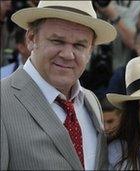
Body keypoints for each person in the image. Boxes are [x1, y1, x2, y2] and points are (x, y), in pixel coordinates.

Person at [1, 1, 117, 170]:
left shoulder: (91, 101)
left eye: (79, 45)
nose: (68, 54)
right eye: (57, 41)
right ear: (31, 38)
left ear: (90, 50)